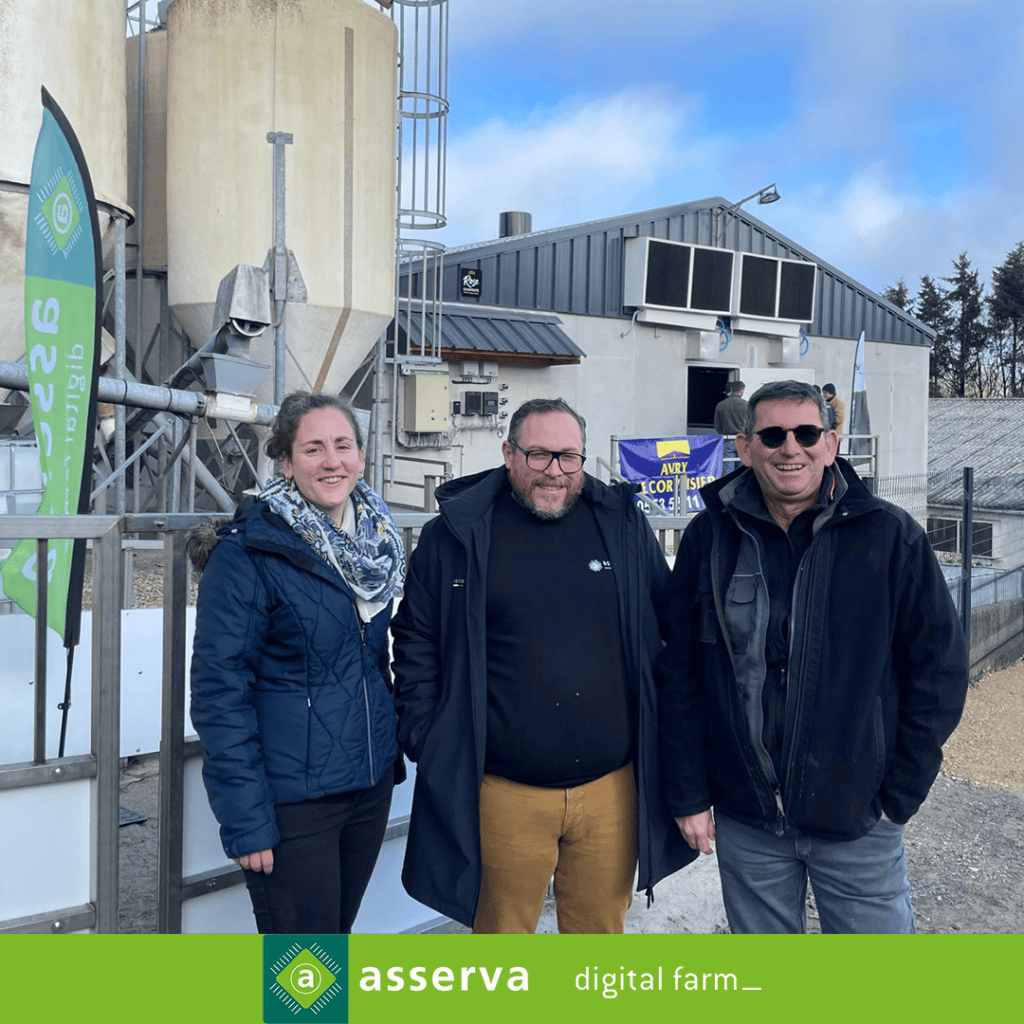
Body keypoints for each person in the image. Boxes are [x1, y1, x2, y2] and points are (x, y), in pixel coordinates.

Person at [657, 379, 968, 934]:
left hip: (858, 819)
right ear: (746, 447)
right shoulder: (709, 537)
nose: (790, 447)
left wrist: (898, 795)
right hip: (747, 819)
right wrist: (689, 791)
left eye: (806, 432)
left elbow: (939, 674)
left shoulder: (891, 538)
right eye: (772, 434)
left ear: (831, 443)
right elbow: (680, 671)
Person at [391, 397, 695, 933]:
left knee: (598, 948)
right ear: (508, 453)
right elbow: (416, 639)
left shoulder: (620, 526)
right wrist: (430, 736)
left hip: (611, 792)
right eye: (539, 455)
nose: (555, 471)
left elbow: (673, 630)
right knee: (502, 949)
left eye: (569, 457)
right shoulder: (457, 535)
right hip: (502, 794)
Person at [188, 392, 406, 933]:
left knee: (332, 943)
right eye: (313, 448)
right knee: (304, 973)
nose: (331, 461)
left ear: (360, 457)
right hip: (294, 803)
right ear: (286, 462)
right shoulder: (249, 553)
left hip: (367, 784)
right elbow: (220, 690)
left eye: (342, 445)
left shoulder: (376, 543)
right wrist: (246, 819)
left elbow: (370, 664)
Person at [713, 380, 747, 462]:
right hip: (742, 441)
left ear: (732, 390)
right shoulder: (747, 405)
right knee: (741, 471)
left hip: (727, 440)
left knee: (728, 471)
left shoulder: (720, 405)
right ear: (742, 392)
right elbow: (752, 425)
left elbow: (717, 426)